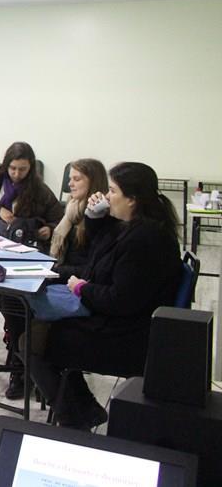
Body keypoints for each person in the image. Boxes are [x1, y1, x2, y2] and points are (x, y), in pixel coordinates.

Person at [27, 162, 182, 430]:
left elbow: (119, 299)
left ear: (132, 199)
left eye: (112, 191)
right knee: (38, 332)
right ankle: (82, 410)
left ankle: (76, 418)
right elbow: (101, 260)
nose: (107, 196)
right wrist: (96, 218)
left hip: (129, 336)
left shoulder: (144, 240)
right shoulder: (133, 227)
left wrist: (81, 288)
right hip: (125, 322)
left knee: (32, 341)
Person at [0, 141, 64, 400]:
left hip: (27, 256)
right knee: (8, 303)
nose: (17, 174)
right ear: (5, 165)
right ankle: (20, 361)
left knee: (17, 305)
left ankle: (19, 363)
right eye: (13, 168)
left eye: (22, 169)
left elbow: (58, 217)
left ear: (30, 168)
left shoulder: (39, 190)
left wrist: (48, 228)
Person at [49, 159, 109, 279]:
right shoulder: (72, 207)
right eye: (70, 179)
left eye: (76, 179)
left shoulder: (100, 215)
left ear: (93, 182)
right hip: (63, 272)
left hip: (77, 281)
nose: (70, 184)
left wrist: (53, 271)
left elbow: (91, 268)